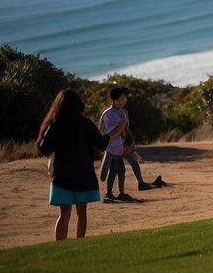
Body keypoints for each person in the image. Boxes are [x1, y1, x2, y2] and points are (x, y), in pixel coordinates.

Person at [38, 89, 110, 241]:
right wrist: (116, 131)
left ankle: (60, 246)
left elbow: (43, 148)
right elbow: (102, 143)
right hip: (83, 174)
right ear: (78, 105)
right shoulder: (85, 124)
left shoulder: (56, 125)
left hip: (62, 175)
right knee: (82, 213)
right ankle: (80, 244)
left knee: (64, 214)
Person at [99, 86, 140, 203]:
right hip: (112, 147)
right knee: (114, 169)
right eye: (122, 99)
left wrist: (130, 141)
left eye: (125, 98)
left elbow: (125, 129)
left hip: (119, 147)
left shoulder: (121, 112)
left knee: (119, 169)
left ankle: (118, 193)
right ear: (115, 100)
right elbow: (107, 133)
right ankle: (109, 194)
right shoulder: (109, 114)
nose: (125, 100)